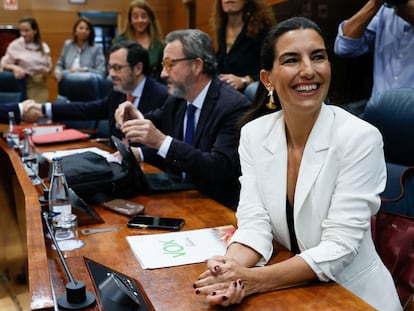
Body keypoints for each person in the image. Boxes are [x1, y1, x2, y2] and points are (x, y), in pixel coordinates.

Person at [193, 17, 402, 310]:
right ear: (267, 80)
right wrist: (229, 270)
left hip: (354, 296)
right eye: (292, 60)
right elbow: (255, 222)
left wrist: (254, 280)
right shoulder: (254, 134)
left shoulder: (360, 138)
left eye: (318, 57)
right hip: (296, 294)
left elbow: (339, 247)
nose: (309, 70)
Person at [114, 29, 250, 208]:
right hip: (179, 196)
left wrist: (161, 141)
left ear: (197, 66)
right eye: (163, 65)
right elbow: (154, 122)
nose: (163, 73)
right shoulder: (177, 99)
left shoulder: (233, 106)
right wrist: (131, 115)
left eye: (170, 65)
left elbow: (219, 168)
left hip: (214, 206)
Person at [24, 41, 167, 139]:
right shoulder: (118, 93)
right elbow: (85, 109)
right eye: (110, 67)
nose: (111, 74)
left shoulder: (162, 96)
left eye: (117, 68)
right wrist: (43, 109)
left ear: (138, 68)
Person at [334, 0, 414, 115]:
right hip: (381, 113)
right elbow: (343, 47)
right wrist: (375, 3)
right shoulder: (385, 12)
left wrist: (404, 7)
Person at [210, 0, 275, 92]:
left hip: (253, 86)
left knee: (251, 90)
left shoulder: (262, 27)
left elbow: (272, 67)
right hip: (229, 88)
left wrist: (244, 80)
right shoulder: (222, 29)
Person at [0, 16, 52, 103]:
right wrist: (15, 68)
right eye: (21, 31)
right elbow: (3, 64)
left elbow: (49, 67)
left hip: (40, 84)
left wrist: (47, 70)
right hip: (24, 83)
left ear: (35, 31)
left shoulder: (43, 46)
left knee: (40, 112)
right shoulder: (15, 45)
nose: (23, 34)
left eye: (27, 31)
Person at [114, 0, 164, 82]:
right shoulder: (121, 41)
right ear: (130, 20)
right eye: (135, 17)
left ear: (149, 19)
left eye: (144, 16)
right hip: (126, 87)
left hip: (153, 87)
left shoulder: (159, 44)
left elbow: (163, 73)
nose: (140, 20)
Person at [54, 17, 106, 82]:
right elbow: (59, 65)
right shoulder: (68, 45)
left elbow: (101, 72)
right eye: (81, 28)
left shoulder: (96, 48)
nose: (84, 31)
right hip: (68, 83)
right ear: (75, 31)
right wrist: (57, 73)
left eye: (87, 29)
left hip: (88, 85)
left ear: (90, 32)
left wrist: (84, 69)